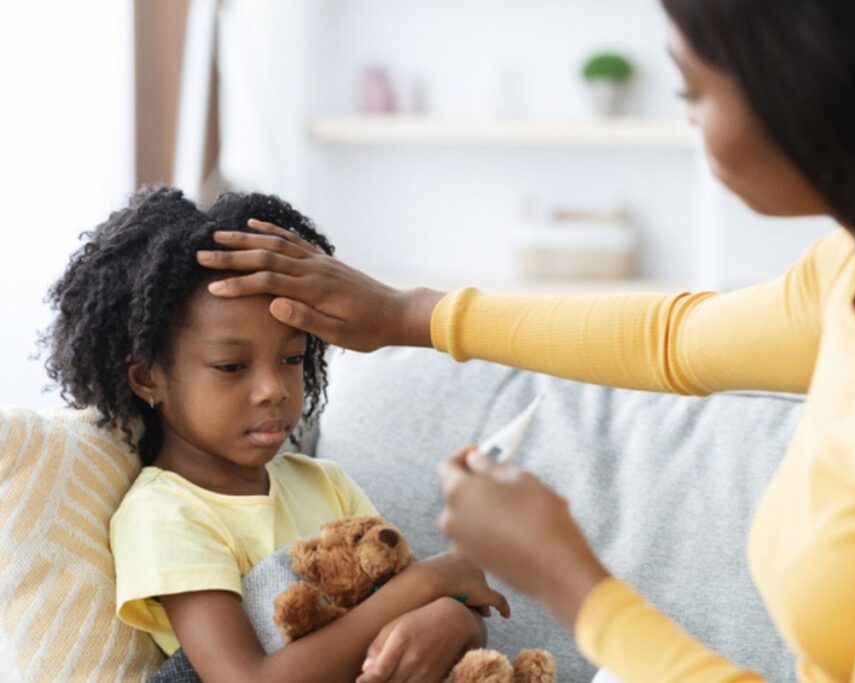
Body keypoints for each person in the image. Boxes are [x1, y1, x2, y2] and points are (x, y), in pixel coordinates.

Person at [196, 1, 855, 681]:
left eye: (693, 90)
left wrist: (573, 581)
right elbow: (675, 339)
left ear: (812, 92)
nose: (686, 111)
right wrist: (409, 314)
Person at [44, 187, 510, 683]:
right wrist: (428, 584)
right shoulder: (165, 514)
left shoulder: (324, 483)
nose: (272, 389)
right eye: (231, 366)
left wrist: (456, 618)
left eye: (290, 359)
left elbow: (437, 621)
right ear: (148, 379)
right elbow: (248, 679)